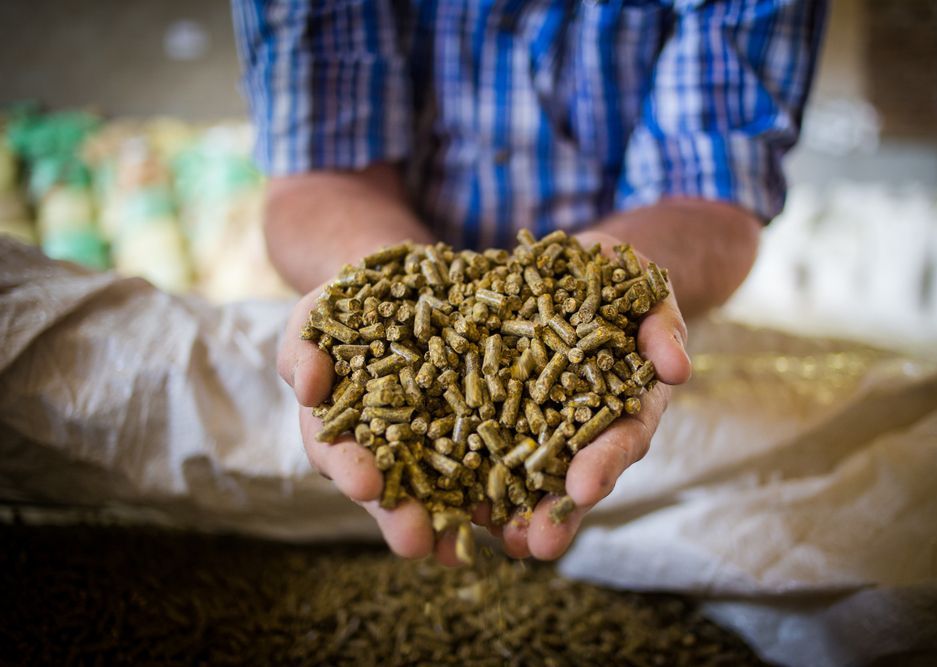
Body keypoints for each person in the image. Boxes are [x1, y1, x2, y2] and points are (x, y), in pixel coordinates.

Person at [231, 0, 826, 564]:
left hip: (648, 320)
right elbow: (320, 172)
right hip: (408, 267)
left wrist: (614, 275)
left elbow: (710, 191)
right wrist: (380, 270)